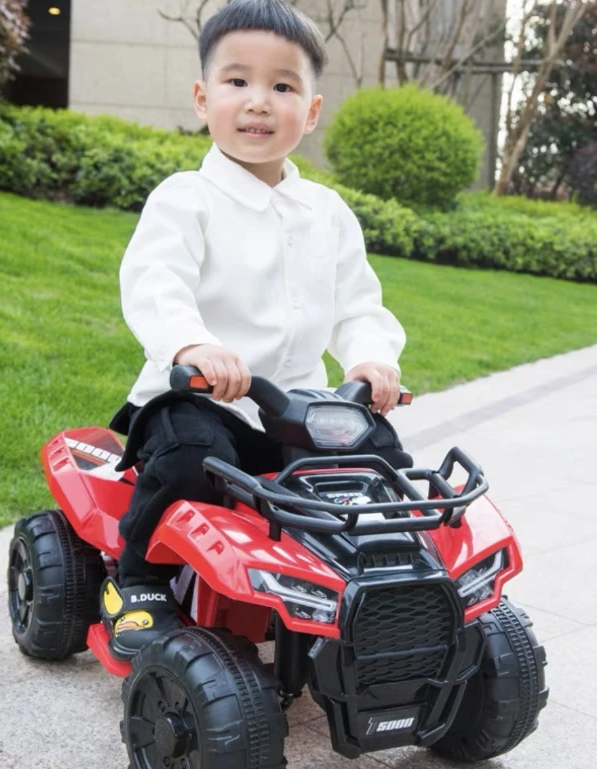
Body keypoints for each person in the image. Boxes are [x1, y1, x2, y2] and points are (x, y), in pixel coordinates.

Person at [100, 0, 410, 661]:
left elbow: (359, 305)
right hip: (196, 400)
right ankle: (137, 578)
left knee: (379, 453)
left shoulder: (327, 212)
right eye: (237, 81)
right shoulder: (186, 198)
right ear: (202, 98)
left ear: (312, 110)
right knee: (191, 456)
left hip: (295, 409)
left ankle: (380, 582)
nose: (259, 102)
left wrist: (371, 359)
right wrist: (192, 345)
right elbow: (156, 282)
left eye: (283, 86)